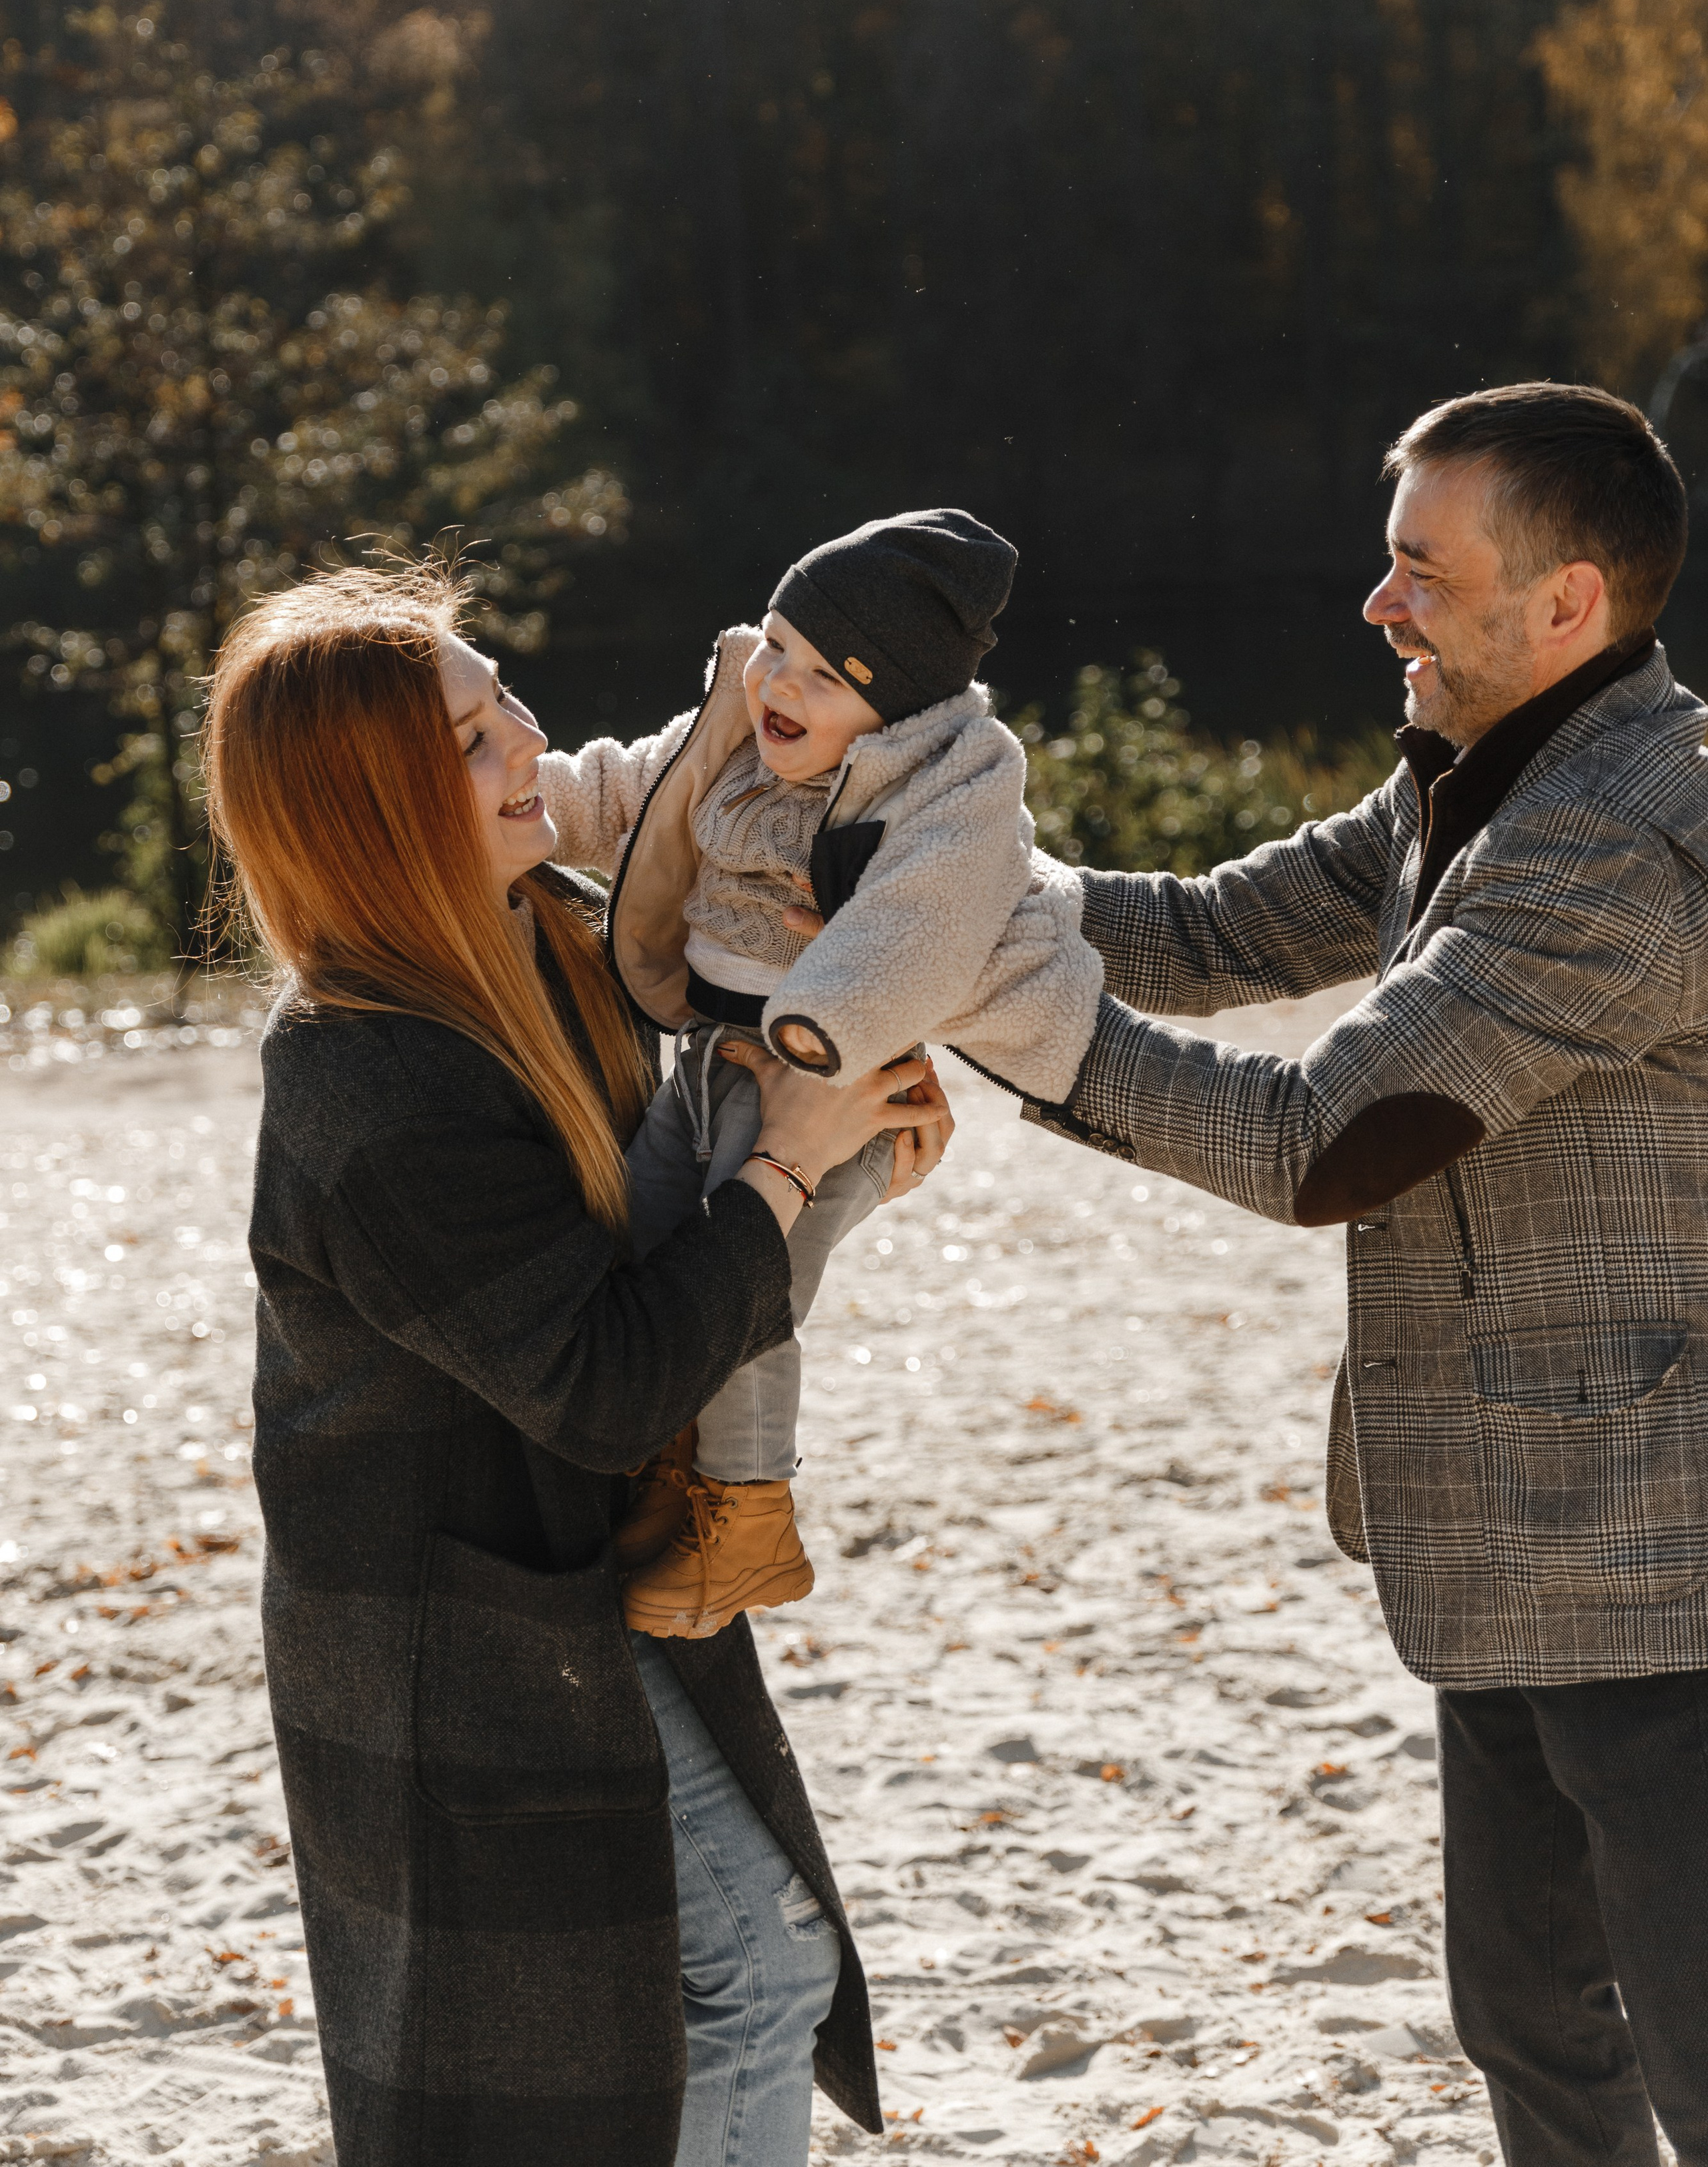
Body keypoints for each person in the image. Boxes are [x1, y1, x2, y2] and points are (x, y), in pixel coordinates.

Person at [1024, 384, 1708, 2166]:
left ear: (1563, 605)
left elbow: (1324, 1141)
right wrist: (921, 884)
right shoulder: (1490, 776)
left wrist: (998, 1019)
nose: (1377, 601)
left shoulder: (1608, 846)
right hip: (1511, 1520)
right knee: (1534, 2029)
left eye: (1419, 565)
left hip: (1664, 1556)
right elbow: (1204, 932)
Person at [200, 563, 952, 2167]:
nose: (530, 742)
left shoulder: (562, 936)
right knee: (712, 1996)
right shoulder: (361, 1079)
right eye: (473, 739)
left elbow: (679, 1208)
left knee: (699, 2005)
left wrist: (836, 1128)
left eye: (503, 699)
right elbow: (606, 1377)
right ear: (376, 814)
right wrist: (785, 1172)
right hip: (446, 1633)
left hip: (576, 1564)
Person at [540, 507, 1102, 1638]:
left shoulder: (934, 794)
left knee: (750, 1291)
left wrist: (826, 1034)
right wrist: (505, 800)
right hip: (708, 1060)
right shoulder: (735, 746)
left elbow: (927, 919)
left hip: (826, 1086)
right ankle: (668, 1467)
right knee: (647, 1248)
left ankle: (748, 1522)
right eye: (777, 650)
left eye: (822, 674)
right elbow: (620, 796)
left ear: (893, 705)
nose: (778, 687)